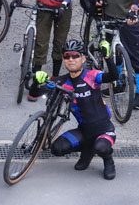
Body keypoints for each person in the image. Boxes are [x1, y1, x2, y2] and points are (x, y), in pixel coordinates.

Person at [32, 37, 119, 180]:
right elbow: (35, 93)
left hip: (104, 130)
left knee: (101, 148)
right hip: (84, 131)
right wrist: (36, 81)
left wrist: (108, 57)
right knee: (57, 149)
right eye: (67, 56)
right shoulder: (61, 82)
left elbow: (113, 76)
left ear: (83, 59)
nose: (71, 59)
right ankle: (88, 149)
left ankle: (108, 160)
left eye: (75, 56)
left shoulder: (91, 75)